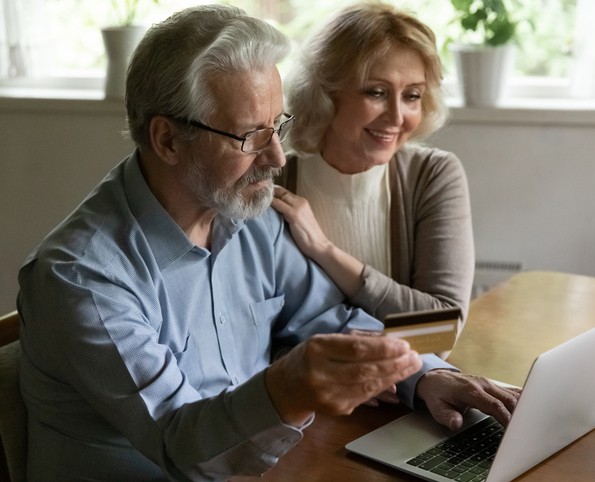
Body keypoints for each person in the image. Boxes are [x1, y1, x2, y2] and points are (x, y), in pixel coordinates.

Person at [17, 5, 518, 481]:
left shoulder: (249, 213)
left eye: (278, 126)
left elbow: (332, 319)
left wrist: (425, 376)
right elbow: (181, 445)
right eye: (250, 136)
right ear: (168, 140)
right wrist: (288, 387)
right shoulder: (82, 277)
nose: (277, 157)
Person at [273, 2, 475, 351]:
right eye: (376, 92)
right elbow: (257, 338)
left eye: (412, 96)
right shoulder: (273, 179)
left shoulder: (433, 175)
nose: (397, 116)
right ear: (325, 94)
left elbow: (441, 330)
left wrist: (324, 251)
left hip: (412, 390)